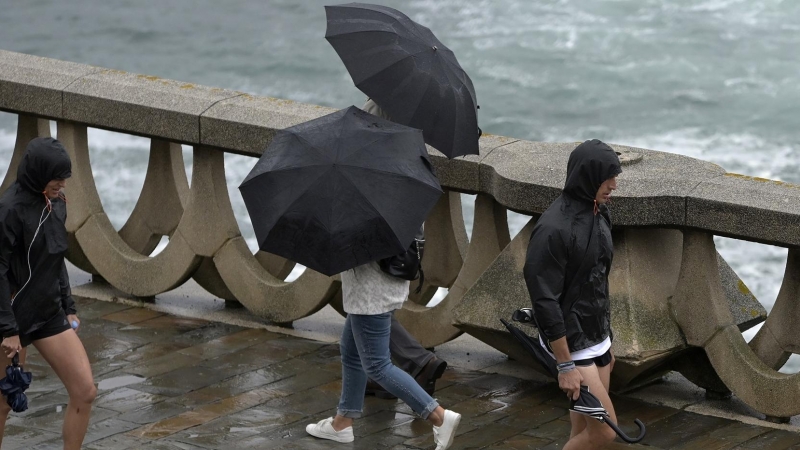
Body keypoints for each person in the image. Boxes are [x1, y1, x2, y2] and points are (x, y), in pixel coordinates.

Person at [523, 139, 621, 450]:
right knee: (606, 433)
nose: (614, 186)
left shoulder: (598, 211)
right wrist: (564, 366)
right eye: (608, 178)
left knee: (585, 434)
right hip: (572, 345)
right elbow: (544, 299)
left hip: (596, 337)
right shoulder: (553, 228)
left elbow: (597, 280)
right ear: (589, 177)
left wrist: (606, 339)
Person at [0, 137, 96, 449]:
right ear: (39, 174)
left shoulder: (56, 204)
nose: (62, 184)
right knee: (3, 403)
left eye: (64, 178)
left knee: (84, 391)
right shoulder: (9, 210)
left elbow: (56, 256)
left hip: (48, 312)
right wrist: (8, 330)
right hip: (12, 318)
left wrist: (67, 306)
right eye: (57, 179)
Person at [359, 98, 448, 401]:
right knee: (365, 309)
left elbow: (366, 153)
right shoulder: (422, 109)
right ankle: (357, 398)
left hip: (381, 218)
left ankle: (419, 367)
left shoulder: (381, 105)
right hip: (407, 214)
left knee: (367, 306)